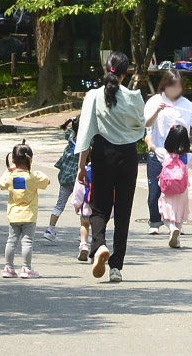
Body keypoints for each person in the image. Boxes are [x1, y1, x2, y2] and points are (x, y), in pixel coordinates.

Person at [75, 52, 146, 283]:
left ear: (105, 69)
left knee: (98, 207)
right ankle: (116, 268)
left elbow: (85, 132)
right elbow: (141, 125)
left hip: (102, 153)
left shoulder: (93, 96)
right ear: (126, 73)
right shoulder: (133, 97)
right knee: (123, 211)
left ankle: (99, 245)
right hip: (128, 156)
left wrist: (82, 166)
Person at [144, 70, 192, 234]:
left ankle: (176, 222)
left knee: (177, 189)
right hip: (159, 151)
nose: (175, 90)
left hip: (179, 154)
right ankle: (155, 222)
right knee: (155, 190)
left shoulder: (186, 104)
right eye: (172, 86)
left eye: (178, 87)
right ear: (164, 85)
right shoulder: (155, 101)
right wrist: (157, 111)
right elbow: (146, 123)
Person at [0, 142, 50, 279]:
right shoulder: (32, 177)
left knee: (11, 241)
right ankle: (26, 268)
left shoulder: (10, 176)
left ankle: (8, 267)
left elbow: (2, 183)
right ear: (30, 160)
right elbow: (47, 181)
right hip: (29, 215)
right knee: (27, 242)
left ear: (13, 160)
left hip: (13, 215)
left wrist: (8, 170)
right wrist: (37, 172)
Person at [152, 124, 192, 249]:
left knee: (165, 212)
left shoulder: (164, 153)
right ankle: (177, 239)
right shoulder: (187, 157)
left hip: (167, 189)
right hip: (182, 190)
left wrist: (149, 141)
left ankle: (171, 228)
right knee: (179, 214)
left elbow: (154, 148)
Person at [44, 117, 79, 243]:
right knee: (84, 206)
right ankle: (84, 233)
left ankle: (50, 229)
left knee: (60, 204)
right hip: (79, 179)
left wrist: (73, 121)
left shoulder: (70, 137)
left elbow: (68, 131)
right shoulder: (86, 141)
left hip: (65, 178)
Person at [69, 158, 93, 262]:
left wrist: (77, 204)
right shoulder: (105, 170)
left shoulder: (84, 171)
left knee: (84, 225)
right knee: (98, 229)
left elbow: (78, 190)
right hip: (100, 209)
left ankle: (83, 245)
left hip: (86, 206)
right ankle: (96, 249)